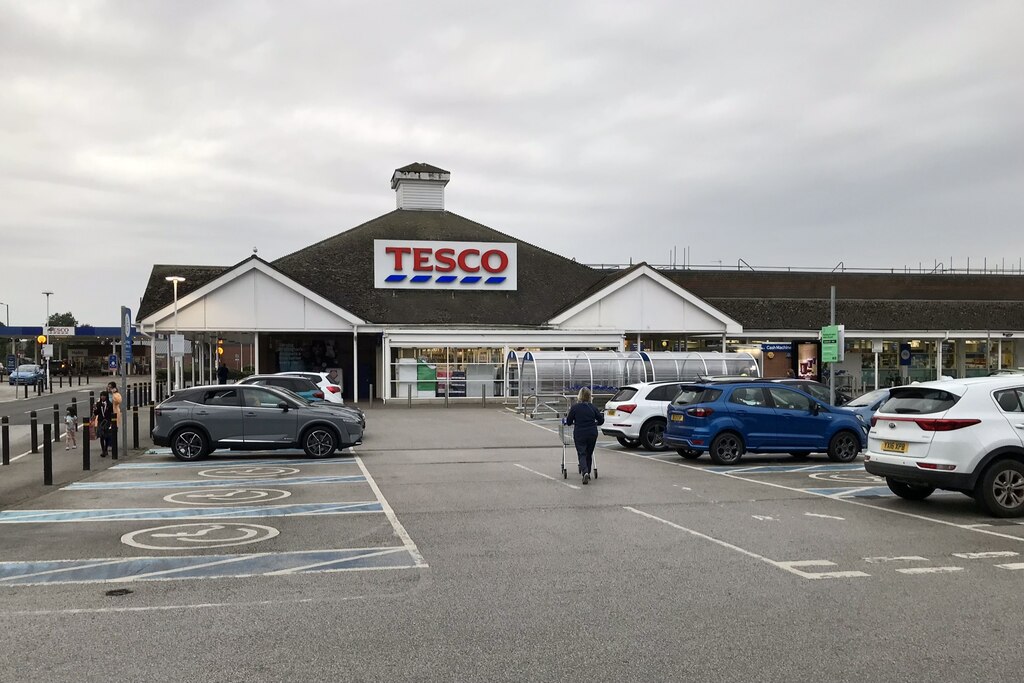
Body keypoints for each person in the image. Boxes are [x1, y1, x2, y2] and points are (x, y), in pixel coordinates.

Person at [564, 387, 604, 485]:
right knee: (589, 453)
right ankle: (588, 473)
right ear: (589, 396)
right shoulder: (593, 407)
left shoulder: (575, 407)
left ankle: (585, 472)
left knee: (582, 453)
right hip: (592, 433)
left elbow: (569, 422)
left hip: (580, 433)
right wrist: (595, 423)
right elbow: (601, 420)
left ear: (579, 396)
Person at [93, 391, 115, 457]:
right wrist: (94, 409)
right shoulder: (98, 404)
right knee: (101, 436)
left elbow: (111, 413)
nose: (102, 397)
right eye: (101, 395)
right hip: (100, 421)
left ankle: (106, 448)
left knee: (107, 436)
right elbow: (96, 413)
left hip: (107, 421)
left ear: (106, 396)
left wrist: (111, 422)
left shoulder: (110, 404)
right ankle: (103, 450)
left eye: (104, 396)